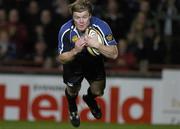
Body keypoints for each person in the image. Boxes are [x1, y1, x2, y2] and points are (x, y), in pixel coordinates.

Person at [57, 0, 118, 127]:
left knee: (98, 92)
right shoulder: (65, 30)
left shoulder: (101, 26)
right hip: (74, 64)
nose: (81, 21)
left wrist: (96, 45)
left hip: (94, 63)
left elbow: (114, 53)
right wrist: (75, 51)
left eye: (84, 17)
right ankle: (73, 109)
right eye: (77, 17)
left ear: (90, 15)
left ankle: (89, 99)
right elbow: (61, 58)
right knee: (73, 91)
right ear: (72, 17)